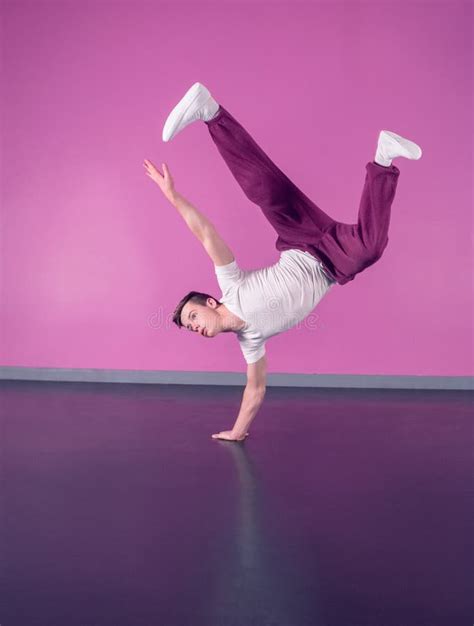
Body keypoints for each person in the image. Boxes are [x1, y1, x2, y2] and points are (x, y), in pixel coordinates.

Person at [143, 82, 422, 442]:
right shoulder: (251, 341)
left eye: (193, 317)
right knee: (370, 248)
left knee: (263, 188)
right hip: (331, 263)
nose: (194, 326)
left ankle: (209, 111)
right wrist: (237, 432)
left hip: (299, 238)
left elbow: (206, 234)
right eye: (189, 327)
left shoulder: (231, 286)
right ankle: (384, 159)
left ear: (210, 302)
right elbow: (255, 391)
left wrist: (172, 196)